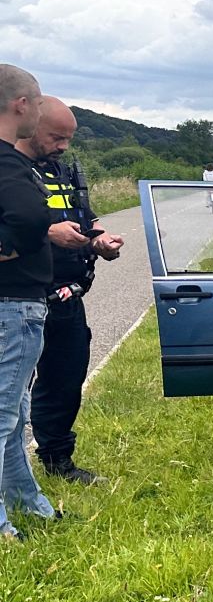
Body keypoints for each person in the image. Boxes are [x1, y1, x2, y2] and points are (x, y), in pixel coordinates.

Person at [26, 98, 124, 484]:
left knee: (65, 380)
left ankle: (56, 460)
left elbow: (86, 217)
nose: (63, 145)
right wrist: (49, 234)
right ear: (29, 124)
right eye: (56, 137)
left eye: (68, 138)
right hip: (20, 298)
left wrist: (98, 240)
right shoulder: (10, 173)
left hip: (67, 297)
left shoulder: (61, 172)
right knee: (10, 391)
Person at [0, 64, 74, 540]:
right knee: (5, 412)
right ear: (21, 105)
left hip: (13, 303)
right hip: (16, 305)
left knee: (15, 412)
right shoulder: (10, 162)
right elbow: (31, 215)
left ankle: (28, 500)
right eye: (39, 100)